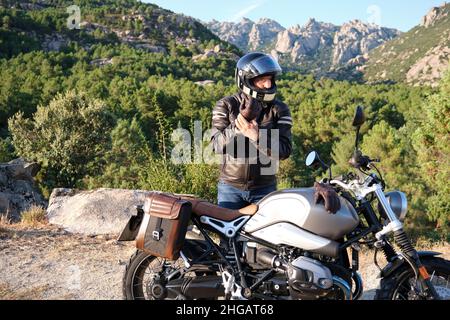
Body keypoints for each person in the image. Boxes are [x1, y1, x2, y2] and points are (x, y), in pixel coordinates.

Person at [210, 52, 340, 214]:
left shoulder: (279, 109)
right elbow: (216, 146)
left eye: (270, 79)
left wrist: (257, 137)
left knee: (265, 238)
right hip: (230, 187)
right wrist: (239, 124)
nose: (267, 84)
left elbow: (284, 150)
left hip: (264, 189)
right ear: (246, 80)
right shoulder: (226, 105)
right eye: (261, 80)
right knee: (227, 237)